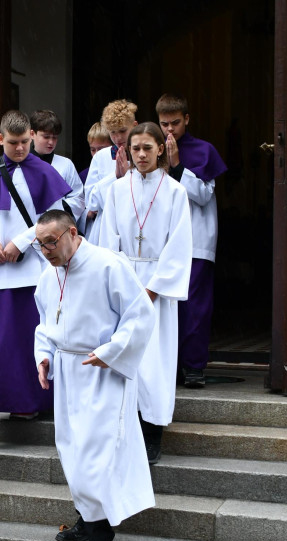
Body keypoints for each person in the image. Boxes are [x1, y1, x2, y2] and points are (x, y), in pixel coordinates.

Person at [33, 209, 156, 541]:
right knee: (72, 450)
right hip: (69, 371)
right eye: (39, 245)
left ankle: (101, 539)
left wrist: (111, 352)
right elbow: (45, 323)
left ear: (72, 232)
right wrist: (43, 356)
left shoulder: (108, 266)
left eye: (51, 242)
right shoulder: (48, 274)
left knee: (96, 455)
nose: (46, 251)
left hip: (102, 370)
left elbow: (139, 316)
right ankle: (87, 521)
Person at [0, 109, 73, 434]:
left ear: (32, 138)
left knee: (28, 340)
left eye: (25, 142)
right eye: (13, 143)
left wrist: (21, 242)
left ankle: (28, 404)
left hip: (31, 271)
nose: (20, 149)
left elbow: (53, 219)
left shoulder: (43, 172)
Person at [98, 122, 193, 464]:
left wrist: (152, 290)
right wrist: (117, 287)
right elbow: (108, 242)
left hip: (156, 287)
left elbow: (179, 245)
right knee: (125, 358)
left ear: (161, 150)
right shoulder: (116, 190)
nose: (141, 155)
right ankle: (125, 429)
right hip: (123, 285)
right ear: (127, 151)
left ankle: (153, 432)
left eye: (147, 148)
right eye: (135, 148)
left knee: (154, 362)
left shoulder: (175, 192)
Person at [156, 94, 228, 389]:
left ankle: (193, 366)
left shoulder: (203, 150)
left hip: (196, 240)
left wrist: (176, 166)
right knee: (163, 305)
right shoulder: (152, 146)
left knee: (194, 307)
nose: (170, 131)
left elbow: (201, 195)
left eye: (175, 123)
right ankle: (167, 366)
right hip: (160, 241)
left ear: (187, 119)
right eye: (164, 124)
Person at [83, 99, 138, 246]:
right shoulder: (101, 157)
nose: (118, 138)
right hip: (105, 228)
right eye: (113, 133)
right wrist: (115, 177)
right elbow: (91, 202)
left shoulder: (143, 155)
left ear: (134, 126)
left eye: (122, 131)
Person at [29, 109, 85, 228]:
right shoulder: (21, 164)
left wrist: (58, 211)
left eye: (55, 138)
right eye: (46, 137)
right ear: (32, 134)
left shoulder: (66, 164)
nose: (51, 142)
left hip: (57, 228)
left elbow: (78, 197)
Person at [79, 121, 112, 186]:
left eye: (101, 149)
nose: (96, 154)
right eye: (93, 150)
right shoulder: (84, 176)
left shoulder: (123, 170)